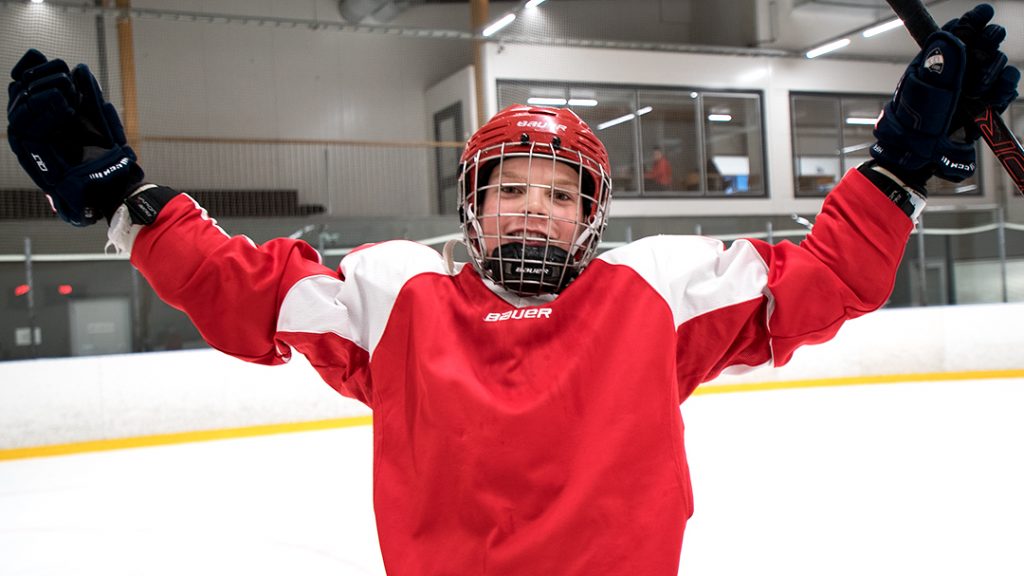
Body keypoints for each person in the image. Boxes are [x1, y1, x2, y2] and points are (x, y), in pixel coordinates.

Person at [5, 5, 1018, 574]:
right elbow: (246, 292)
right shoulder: (394, 296)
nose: (533, 209)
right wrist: (130, 204)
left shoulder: (657, 294)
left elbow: (826, 277)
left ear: (592, 213)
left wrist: (891, 164)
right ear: (473, 208)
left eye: (558, 192)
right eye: (511, 190)